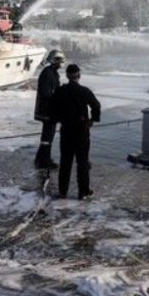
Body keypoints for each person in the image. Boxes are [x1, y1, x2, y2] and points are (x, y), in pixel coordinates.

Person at [50, 64, 101, 200]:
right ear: (79, 75)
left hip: (66, 130)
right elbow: (96, 106)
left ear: (67, 76)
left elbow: (52, 109)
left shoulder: (60, 91)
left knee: (65, 162)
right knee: (82, 162)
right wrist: (92, 120)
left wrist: (59, 120)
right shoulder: (84, 91)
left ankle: (63, 191)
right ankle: (83, 191)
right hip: (81, 131)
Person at [33, 49, 65, 169]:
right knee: (47, 137)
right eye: (60, 61)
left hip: (50, 110)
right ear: (54, 60)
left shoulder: (51, 72)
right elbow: (46, 93)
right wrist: (58, 97)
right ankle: (44, 161)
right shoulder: (48, 73)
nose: (61, 63)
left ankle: (41, 158)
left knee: (48, 136)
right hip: (47, 111)